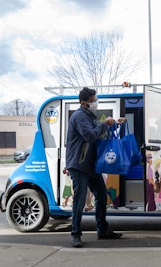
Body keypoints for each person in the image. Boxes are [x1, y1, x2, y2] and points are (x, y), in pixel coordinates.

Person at [66, 87, 125, 248]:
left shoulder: (89, 117)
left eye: (95, 100)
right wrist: (105, 124)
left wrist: (113, 124)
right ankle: (75, 234)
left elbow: (96, 131)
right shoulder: (79, 116)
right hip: (79, 165)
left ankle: (102, 230)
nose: (96, 103)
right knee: (79, 201)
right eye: (93, 101)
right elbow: (90, 135)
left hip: (90, 165)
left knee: (100, 194)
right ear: (84, 103)